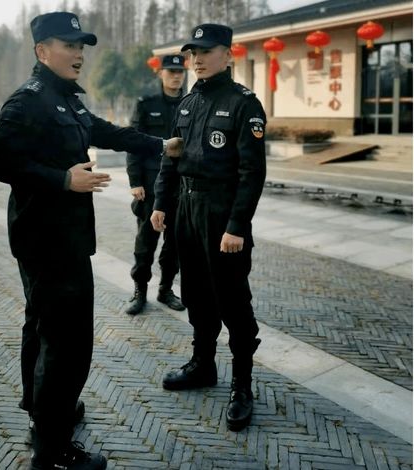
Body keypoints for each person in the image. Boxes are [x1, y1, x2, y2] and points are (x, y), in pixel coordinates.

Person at [0, 12, 182, 470]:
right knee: (66, 342)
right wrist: (62, 180)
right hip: (46, 239)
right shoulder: (28, 101)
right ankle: (52, 451)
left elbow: (106, 131)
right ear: (42, 51)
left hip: (63, 238)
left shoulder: (66, 100)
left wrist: (159, 146)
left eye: (81, 47)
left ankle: (42, 411)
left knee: (43, 329)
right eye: (69, 45)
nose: (79, 54)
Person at [151, 23, 266, 433]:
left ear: (228, 55)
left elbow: (252, 173)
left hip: (222, 214)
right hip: (187, 208)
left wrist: (237, 225)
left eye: (205, 51)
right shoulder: (186, 104)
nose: (196, 59)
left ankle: (242, 384)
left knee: (232, 298)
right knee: (196, 292)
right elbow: (171, 157)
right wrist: (161, 202)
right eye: (192, 53)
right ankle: (203, 364)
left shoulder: (243, 104)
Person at [125, 54, 187, 315]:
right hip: (150, 187)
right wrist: (135, 181)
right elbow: (134, 143)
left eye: (180, 72)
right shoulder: (146, 104)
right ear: (160, 73)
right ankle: (139, 291)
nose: (176, 76)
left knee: (175, 244)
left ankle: (165, 289)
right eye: (171, 71)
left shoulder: (190, 104)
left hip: (180, 187)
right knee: (145, 244)